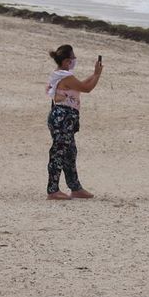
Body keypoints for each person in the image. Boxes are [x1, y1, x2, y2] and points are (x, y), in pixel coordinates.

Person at [45, 45, 103, 200]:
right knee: (59, 152)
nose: (74, 60)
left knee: (70, 152)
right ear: (66, 61)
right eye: (72, 58)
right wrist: (97, 75)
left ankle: (75, 187)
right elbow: (86, 88)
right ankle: (53, 190)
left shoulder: (62, 75)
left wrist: (94, 74)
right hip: (62, 117)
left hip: (65, 117)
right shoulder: (65, 76)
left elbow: (80, 85)